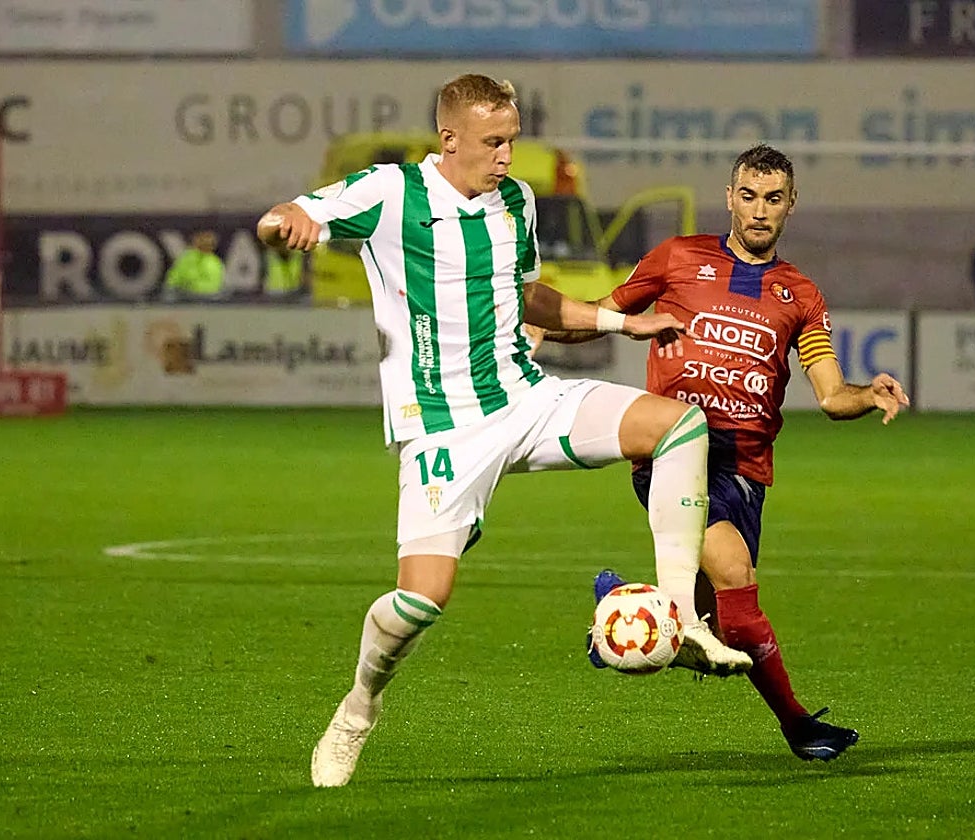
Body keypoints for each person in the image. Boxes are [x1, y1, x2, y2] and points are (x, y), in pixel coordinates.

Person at [255, 73, 752, 788]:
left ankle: (681, 617)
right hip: (443, 429)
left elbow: (527, 295)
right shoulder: (389, 193)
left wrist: (621, 320)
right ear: (449, 138)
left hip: (525, 397)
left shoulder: (515, 202)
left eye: (512, 140)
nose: (507, 158)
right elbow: (279, 216)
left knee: (678, 426)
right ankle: (358, 710)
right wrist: (286, 225)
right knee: (420, 602)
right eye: (493, 142)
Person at [539, 144, 909, 762]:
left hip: (745, 473)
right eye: (748, 195)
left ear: (791, 205)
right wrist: (544, 323)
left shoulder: (801, 295)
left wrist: (866, 394)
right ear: (729, 196)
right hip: (673, 455)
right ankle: (799, 728)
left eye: (772, 198)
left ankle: (616, 613)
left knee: (708, 634)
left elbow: (828, 395)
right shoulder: (677, 258)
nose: (758, 210)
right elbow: (605, 313)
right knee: (735, 578)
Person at [163, 230, 225, 301]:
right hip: (184, 295)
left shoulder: (215, 262)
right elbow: (173, 277)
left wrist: (192, 286)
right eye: (202, 241)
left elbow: (213, 286)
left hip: (207, 297)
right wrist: (171, 286)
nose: (204, 244)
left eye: (208, 243)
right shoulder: (186, 258)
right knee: (169, 293)